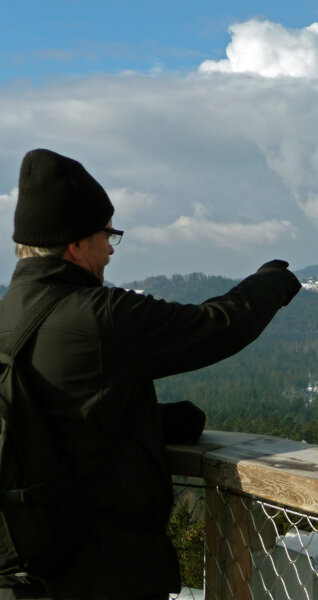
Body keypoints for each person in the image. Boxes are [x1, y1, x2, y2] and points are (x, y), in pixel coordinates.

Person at [0, 149, 302, 600]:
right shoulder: (100, 317)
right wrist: (272, 281)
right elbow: (216, 326)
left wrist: (149, 420)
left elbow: (53, 419)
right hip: (100, 572)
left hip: (32, 568)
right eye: (106, 236)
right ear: (75, 244)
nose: (109, 251)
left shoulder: (8, 319)